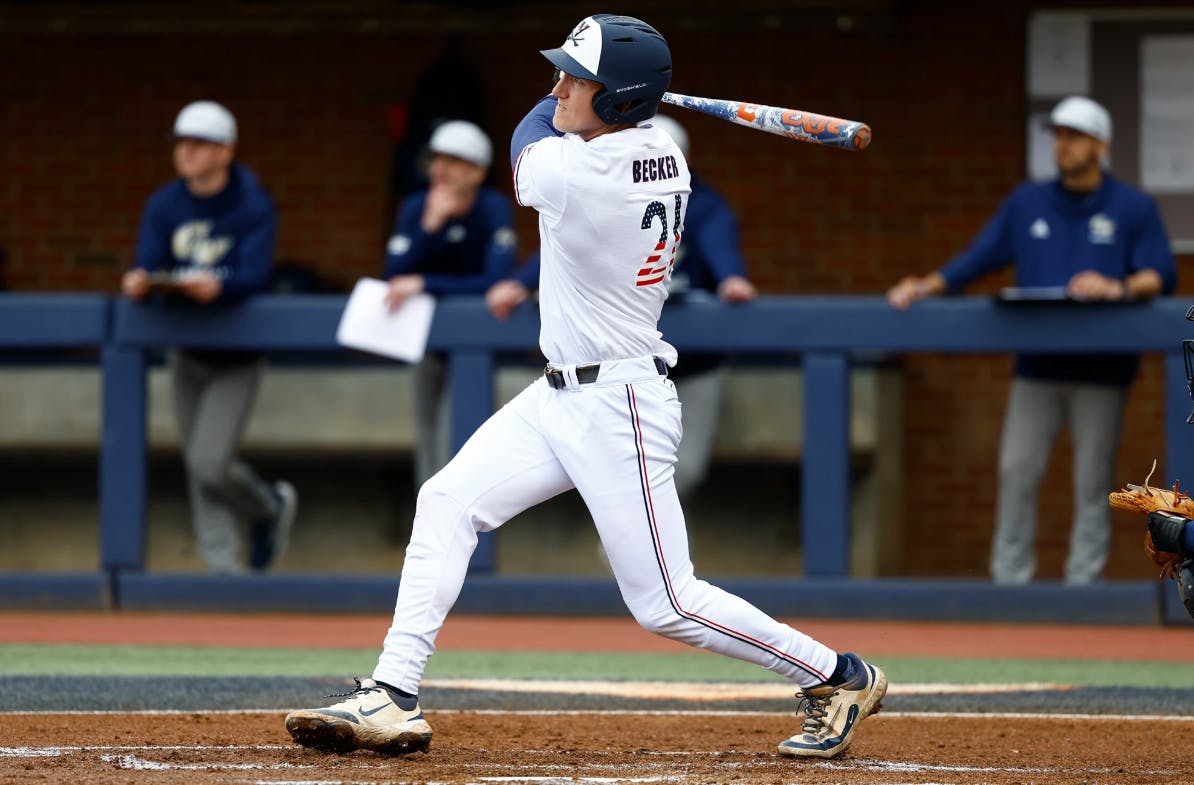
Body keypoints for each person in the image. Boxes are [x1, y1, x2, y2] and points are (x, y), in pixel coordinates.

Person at [286, 14, 886, 761]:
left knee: (666, 601)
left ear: (620, 100)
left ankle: (837, 674)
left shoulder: (579, 174)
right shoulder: (661, 151)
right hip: (559, 394)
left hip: (618, 403)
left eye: (576, 78)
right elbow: (567, 124)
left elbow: (526, 135)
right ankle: (394, 693)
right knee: (446, 500)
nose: (559, 87)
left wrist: (573, 98)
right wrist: (599, 89)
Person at [886, 95, 1176, 585]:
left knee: (1093, 482)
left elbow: (1161, 273)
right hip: (1037, 367)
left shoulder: (1133, 205)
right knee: (1016, 471)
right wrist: (923, 286)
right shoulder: (1027, 202)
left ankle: (1083, 587)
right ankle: (1009, 584)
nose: (1063, 145)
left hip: (1103, 370)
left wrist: (1118, 287)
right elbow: (976, 259)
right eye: (1058, 135)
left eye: (1075, 136)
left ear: (1101, 146)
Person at [488, 113, 757, 502]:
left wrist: (731, 277)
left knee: (681, 472)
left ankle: (644, 531)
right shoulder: (608, 190)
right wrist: (521, 282)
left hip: (691, 362)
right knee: (616, 474)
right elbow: (571, 242)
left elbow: (720, 246)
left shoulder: (702, 202)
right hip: (625, 363)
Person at [121, 100, 297, 574]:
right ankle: (221, 571)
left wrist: (221, 286)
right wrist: (142, 281)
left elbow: (255, 274)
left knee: (210, 463)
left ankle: (268, 506)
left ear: (225, 151)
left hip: (237, 354)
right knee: (197, 468)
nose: (187, 152)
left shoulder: (251, 202)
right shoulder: (165, 203)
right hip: (186, 348)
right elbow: (149, 261)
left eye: (200, 143)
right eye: (182, 143)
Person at [382, 119, 517, 486]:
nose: (440, 170)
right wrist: (429, 227)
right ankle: (428, 516)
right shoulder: (416, 207)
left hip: (475, 340)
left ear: (477, 172)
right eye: (436, 160)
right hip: (422, 339)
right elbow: (393, 274)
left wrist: (426, 282)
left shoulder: (491, 207)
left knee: (459, 438)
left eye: (454, 161)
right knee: (427, 437)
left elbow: (495, 280)